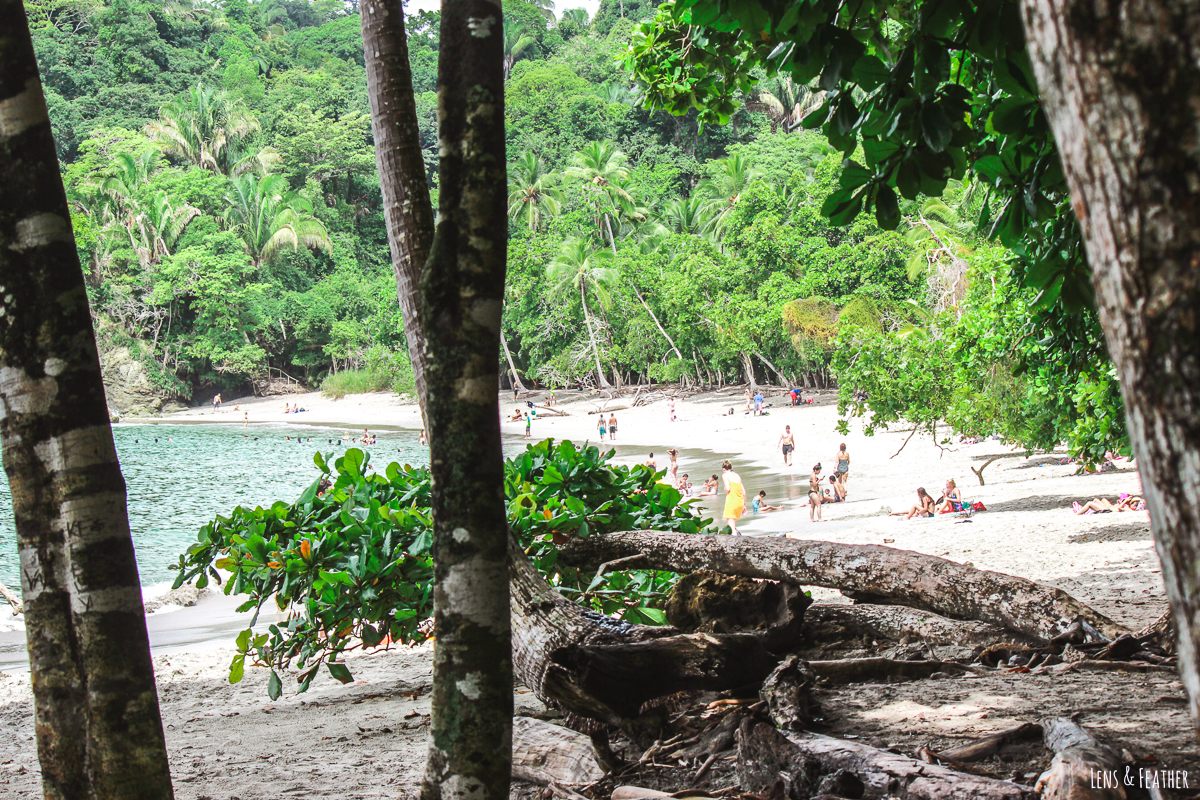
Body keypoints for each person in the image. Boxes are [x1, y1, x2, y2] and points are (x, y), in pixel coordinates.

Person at [722, 460, 746, 535]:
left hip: (732, 500)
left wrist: (725, 489)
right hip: (740, 502)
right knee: (733, 523)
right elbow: (744, 492)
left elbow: (728, 488)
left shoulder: (725, 475)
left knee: (730, 525)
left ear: (724, 469)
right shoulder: (737, 476)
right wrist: (744, 505)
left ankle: (733, 542)